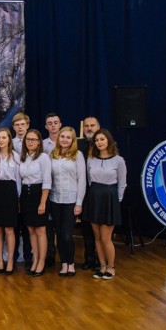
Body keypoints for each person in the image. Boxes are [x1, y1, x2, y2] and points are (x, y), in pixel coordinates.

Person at [82, 129, 126, 280]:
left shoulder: (118, 160)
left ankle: (111, 267)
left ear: (108, 141)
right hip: (94, 197)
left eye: (102, 139)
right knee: (97, 237)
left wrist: (116, 200)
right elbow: (89, 179)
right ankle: (102, 266)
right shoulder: (90, 159)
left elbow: (122, 183)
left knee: (106, 238)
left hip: (109, 198)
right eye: (96, 140)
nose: (99, 142)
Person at [49, 126, 86, 277]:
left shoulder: (78, 155)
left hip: (71, 200)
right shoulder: (53, 154)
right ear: (58, 138)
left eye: (68, 137)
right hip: (55, 199)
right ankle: (63, 263)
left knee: (66, 235)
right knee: (58, 233)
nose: (64, 139)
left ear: (73, 140)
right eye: (62, 136)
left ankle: (71, 263)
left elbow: (82, 180)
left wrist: (79, 203)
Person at [19, 129, 52, 277]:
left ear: (39, 142)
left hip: (39, 194)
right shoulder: (23, 157)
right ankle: (35, 258)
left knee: (40, 230)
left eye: (33, 139)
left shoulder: (43, 157)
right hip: (26, 194)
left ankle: (41, 262)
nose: (30, 142)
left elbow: (47, 182)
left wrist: (43, 203)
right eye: (28, 139)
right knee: (31, 230)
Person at [0, 128, 20, 276]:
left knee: (9, 229)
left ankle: (10, 260)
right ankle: (1, 259)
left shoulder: (16, 157)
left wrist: (18, 198)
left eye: (4, 137)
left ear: (9, 139)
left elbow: (19, 180)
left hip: (10, 191)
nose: (1, 140)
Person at [77, 116, 101, 271]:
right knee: (86, 228)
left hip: (99, 192)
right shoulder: (78, 145)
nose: (89, 128)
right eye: (86, 126)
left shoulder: (104, 144)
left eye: (92, 125)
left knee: (99, 228)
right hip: (84, 192)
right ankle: (89, 258)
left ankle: (101, 260)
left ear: (98, 127)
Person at [11, 112, 32, 269]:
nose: (20, 127)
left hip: (29, 187)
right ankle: (14, 256)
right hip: (13, 187)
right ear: (13, 127)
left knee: (27, 225)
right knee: (14, 225)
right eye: (17, 125)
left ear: (27, 125)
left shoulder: (34, 142)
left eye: (22, 124)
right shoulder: (10, 143)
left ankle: (28, 256)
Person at [43, 112, 61, 267]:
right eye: (50, 123)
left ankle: (65, 258)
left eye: (55, 122)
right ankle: (50, 255)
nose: (53, 125)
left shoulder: (69, 143)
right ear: (46, 126)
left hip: (64, 190)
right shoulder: (42, 145)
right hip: (47, 190)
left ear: (60, 124)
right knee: (48, 225)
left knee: (62, 226)